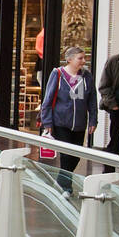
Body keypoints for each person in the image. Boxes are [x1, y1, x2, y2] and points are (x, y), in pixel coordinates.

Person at [40, 45, 96, 195]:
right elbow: (48, 99)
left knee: (75, 156)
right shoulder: (57, 74)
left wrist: (93, 120)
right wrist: (47, 122)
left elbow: (92, 99)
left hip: (79, 123)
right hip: (61, 122)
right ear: (69, 60)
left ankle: (60, 181)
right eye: (80, 58)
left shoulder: (86, 76)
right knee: (66, 155)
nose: (83, 61)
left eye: (84, 58)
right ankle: (66, 188)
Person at [98, 34, 119, 164]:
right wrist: (113, 106)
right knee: (115, 143)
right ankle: (108, 176)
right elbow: (104, 86)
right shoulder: (114, 61)